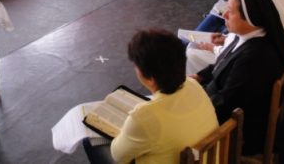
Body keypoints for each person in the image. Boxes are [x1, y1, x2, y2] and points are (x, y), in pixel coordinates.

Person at [84, 29, 218, 164]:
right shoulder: (194, 85)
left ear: (150, 78)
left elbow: (118, 156)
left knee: (89, 142)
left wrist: (128, 128)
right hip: (207, 158)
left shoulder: (144, 116)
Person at [192, 0, 284, 155]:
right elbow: (222, 64)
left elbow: (226, 104)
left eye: (230, 11)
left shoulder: (255, 57)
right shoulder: (248, 36)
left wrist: (191, 109)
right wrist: (198, 77)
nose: (224, 15)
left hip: (241, 133)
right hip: (225, 104)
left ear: (250, 18)